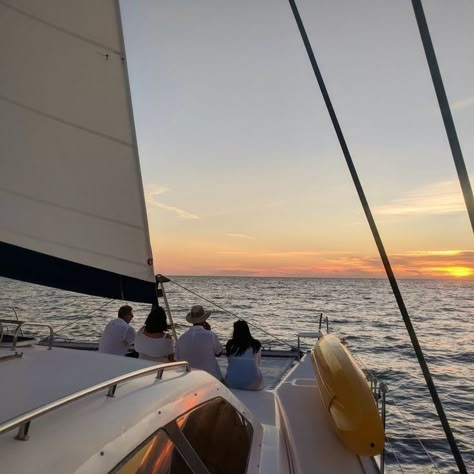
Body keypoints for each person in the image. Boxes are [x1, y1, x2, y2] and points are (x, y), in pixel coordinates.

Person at [175, 305, 223, 380]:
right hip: (211, 377)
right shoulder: (211, 335)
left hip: (189, 377)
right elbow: (218, 353)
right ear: (204, 320)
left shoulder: (182, 338)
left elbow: (177, 359)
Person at [225, 320, 263, 390]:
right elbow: (258, 363)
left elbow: (230, 362)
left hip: (232, 383)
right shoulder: (256, 345)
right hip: (254, 384)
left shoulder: (230, 344)